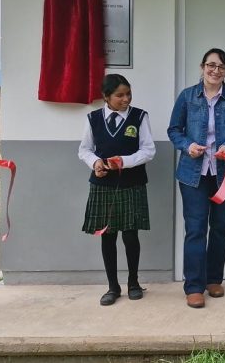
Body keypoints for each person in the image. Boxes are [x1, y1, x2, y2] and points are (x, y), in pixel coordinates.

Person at [168, 48, 225, 309]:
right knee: (195, 229)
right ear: (202, 67)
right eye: (211, 65)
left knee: (220, 228)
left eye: (222, 66)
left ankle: (214, 279)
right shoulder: (187, 97)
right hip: (193, 174)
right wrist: (187, 145)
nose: (216, 70)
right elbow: (174, 130)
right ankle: (193, 286)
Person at [78, 74, 156, 306]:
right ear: (106, 97)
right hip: (103, 185)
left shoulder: (139, 116)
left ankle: (133, 282)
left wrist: (123, 161)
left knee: (131, 235)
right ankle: (113, 286)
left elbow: (148, 150)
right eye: (119, 95)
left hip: (132, 183)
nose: (126, 99)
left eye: (128, 94)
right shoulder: (93, 118)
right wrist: (96, 163)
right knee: (108, 235)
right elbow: (84, 150)